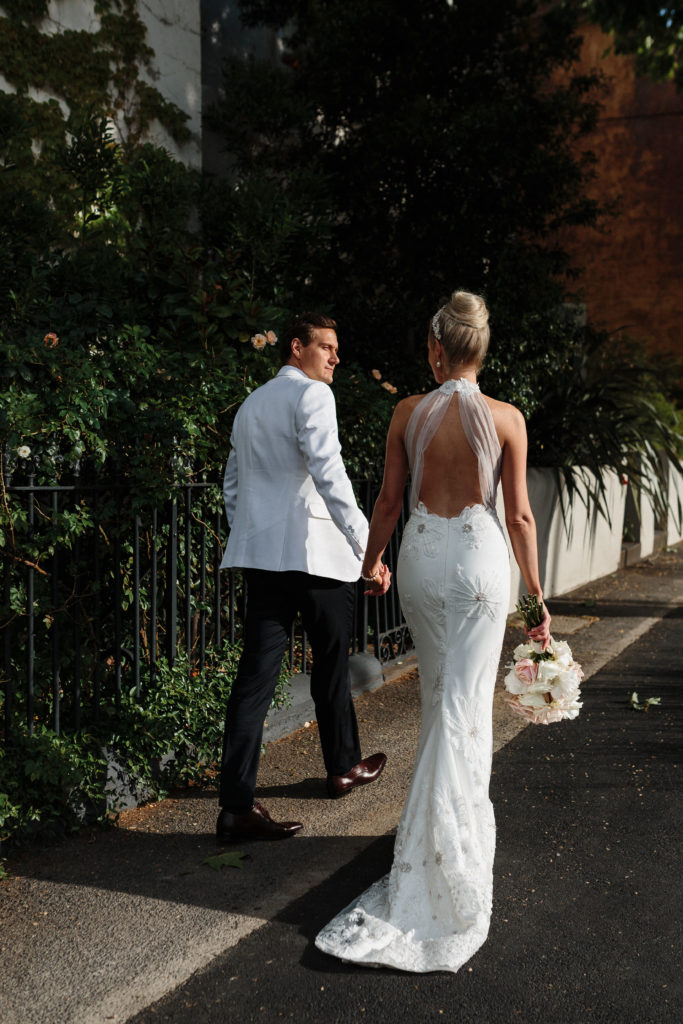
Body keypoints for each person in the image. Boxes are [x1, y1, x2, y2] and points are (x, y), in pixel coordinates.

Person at [315, 290, 551, 972]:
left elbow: (387, 501)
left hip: (420, 558)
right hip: (478, 561)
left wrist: (368, 565)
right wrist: (535, 601)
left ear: (434, 349)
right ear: (480, 350)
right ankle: (454, 853)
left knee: (436, 700)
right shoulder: (506, 418)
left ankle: (429, 850)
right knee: (464, 706)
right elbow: (520, 520)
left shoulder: (406, 412)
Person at [217, 312, 388, 844]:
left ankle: (235, 808)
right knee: (332, 666)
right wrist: (370, 552)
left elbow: (232, 486)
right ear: (297, 347)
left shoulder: (250, 404)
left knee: (255, 682)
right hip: (317, 561)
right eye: (327, 347)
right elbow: (330, 475)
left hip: (263, 560)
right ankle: (342, 768)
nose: (335, 358)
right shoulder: (312, 395)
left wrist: (252, 532)